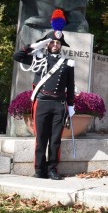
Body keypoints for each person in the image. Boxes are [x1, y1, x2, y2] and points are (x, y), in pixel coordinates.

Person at [13, 10, 75, 180]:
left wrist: (70, 106)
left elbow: (70, 86)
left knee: (55, 139)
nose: (55, 44)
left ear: (61, 45)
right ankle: (39, 169)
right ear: (47, 44)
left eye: (58, 42)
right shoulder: (38, 58)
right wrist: (33, 46)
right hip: (42, 102)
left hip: (59, 104)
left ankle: (52, 169)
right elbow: (17, 56)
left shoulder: (68, 63)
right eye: (52, 42)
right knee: (41, 139)